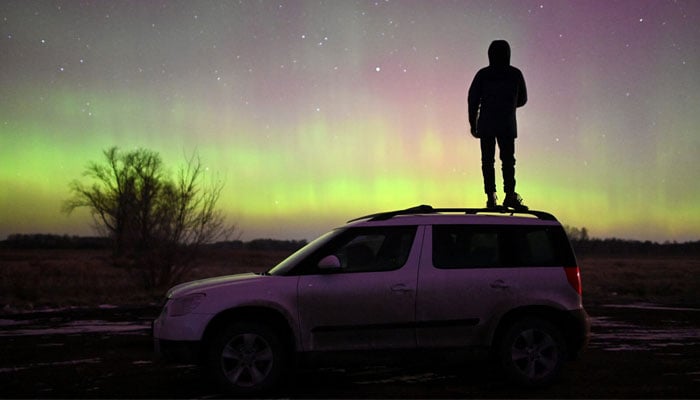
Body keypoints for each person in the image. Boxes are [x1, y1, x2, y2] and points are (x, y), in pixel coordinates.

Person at [468, 40, 528, 210]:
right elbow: (523, 99)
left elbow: (472, 99)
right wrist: (508, 105)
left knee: (487, 161)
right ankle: (509, 195)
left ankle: (491, 197)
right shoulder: (515, 74)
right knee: (508, 161)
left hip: (486, 123)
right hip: (507, 123)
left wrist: (473, 123)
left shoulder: (483, 74)